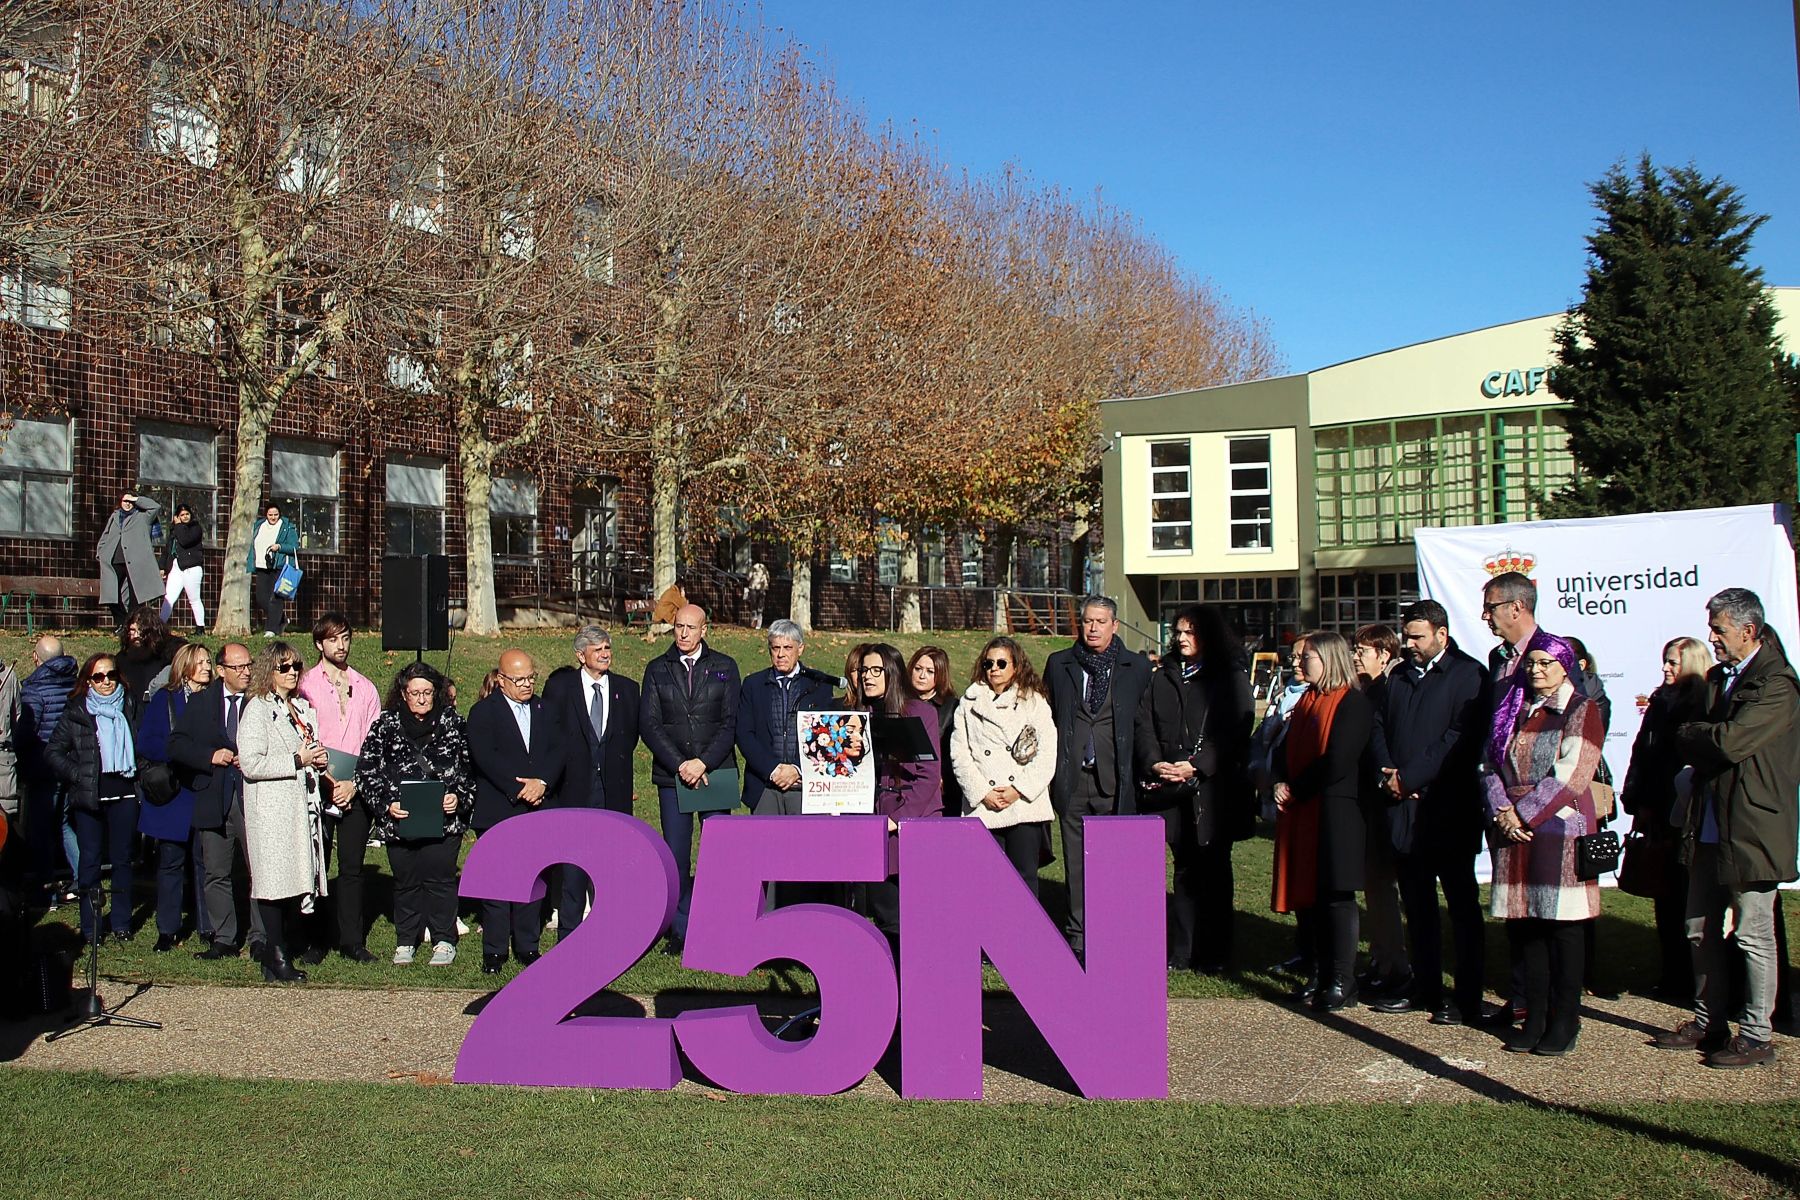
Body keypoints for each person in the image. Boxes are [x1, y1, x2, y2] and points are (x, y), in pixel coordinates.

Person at [1655, 589, 1800, 1069]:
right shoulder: (1721, 678)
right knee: (1698, 928)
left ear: (1748, 630)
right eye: (1711, 628)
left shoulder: (1777, 683)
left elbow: (1731, 742)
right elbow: (1707, 739)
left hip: (1753, 824)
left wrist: (1694, 736)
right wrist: (1700, 738)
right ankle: (1707, 1019)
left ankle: (1757, 1034)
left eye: (1718, 630)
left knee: (1753, 933)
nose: (1712, 638)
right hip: (1710, 822)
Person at [1367, 600, 1492, 1027]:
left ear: (1441, 633)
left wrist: (1414, 777)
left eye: (1418, 636)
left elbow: (1460, 736)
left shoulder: (1469, 675)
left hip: (1448, 809)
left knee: (1460, 906)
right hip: (1403, 810)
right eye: (1408, 636)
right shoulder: (1399, 675)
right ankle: (1425, 988)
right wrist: (1390, 775)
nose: (1411, 644)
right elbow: (1378, 724)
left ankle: (1468, 997)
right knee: (1417, 904)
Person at [1483, 631, 1604, 1056]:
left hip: (1557, 829)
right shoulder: (1512, 707)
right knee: (1526, 928)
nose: (1535, 671)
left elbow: (1573, 774)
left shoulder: (1579, 709)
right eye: (1530, 663)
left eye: (1545, 663)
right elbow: (1489, 762)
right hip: (1512, 831)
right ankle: (1532, 1016)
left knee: (1563, 930)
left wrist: (1523, 813)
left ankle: (1565, 1020)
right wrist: (1502, 809)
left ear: (1565, 666)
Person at [1134, 605, 1255, 973]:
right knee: (1184, 870)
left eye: (1191, 632)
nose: (1182, 639)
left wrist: (1198, 766)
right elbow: (1144, 723)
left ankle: (1216, 952)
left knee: (1215, 871)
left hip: (1212, 793)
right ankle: (1183, 951)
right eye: (1179, 632)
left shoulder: (1228, 677)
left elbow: (1238, 728)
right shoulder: (1164, 675)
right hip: (1171, 788)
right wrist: (1156, 761)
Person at [1046, 594, 1152, 957]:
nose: (1092, 628)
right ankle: (1077, 937)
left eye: (1100, 622)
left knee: (1111, 866)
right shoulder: (1059, 664)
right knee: (1075, 864)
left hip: (1115, 780)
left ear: (1114, 626)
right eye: (1087, 621)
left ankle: (1111, 933)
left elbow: (1143, 721)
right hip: (1073, 780)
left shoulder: (1135, 668)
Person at [1271, 631, 1372, 1011]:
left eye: (1306, 657)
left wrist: (1296, 787)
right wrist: (1281, 779)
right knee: (1309, 900)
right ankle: (1318, 972)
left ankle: (1343, 979)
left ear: (1328, 659)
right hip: (1302, 809)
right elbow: (1283, 748)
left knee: (1335, 898)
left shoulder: (1352, 703)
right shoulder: (1307, 701)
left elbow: (1338, 759)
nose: (1298, 663)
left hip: (1336, 813)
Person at [639, 604, 739, 953]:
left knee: (717, 855)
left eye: (690, 627)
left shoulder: (725, 666)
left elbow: (730, 723)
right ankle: (680, 929)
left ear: (704, 630)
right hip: (673, 776)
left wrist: (703, 763)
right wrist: (681, 764)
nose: (682, 633)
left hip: (714, 774)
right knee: (677, 855)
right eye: (678, 626)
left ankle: (717, 924)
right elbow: (649, 724)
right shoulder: (657, 669)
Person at [357, 664, 473, 966]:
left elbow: (470, 770)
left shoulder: (452, 723)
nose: (421, 699)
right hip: (400, 819)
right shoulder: (386, 725)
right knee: (406, 880)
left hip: (445, 821)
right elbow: (366, 771)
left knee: (440, 879)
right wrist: (386, 805)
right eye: (415, 693)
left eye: (427, 692)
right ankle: (406, 940)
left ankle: (444, 939)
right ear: (403, 693)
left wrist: (457, 797)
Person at [1621, 636, 1711, 1001]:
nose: (1666, 668)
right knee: (1665, 898)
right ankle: (1673, 974)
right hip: (1656, 811)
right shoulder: (1660, 700)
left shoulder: (1702, 703)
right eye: (1664, 661)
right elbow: (1642, 751)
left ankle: (1696, 978)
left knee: (1690, 899)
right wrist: (1636, 798)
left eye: (1673, 662)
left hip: (1685, 811)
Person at [236, 641, 331, 983]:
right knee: (272, 882)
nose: (292, 673)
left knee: (293, 881)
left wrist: (318, 760)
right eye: (284, 667)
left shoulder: (302, 708)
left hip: (300, 807)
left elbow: (309, 750)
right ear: (269, 671)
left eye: (296, 667)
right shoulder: (258, 709)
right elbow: (250, 763)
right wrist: (296, 760)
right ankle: (275, 953)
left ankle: (282, 949)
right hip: (272, 809)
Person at [467, 648, 566, 973]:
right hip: (499, 806)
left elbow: (558, 750)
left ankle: (527, 945)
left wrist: (543, 783)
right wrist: (519, 788)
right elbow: (485, 757)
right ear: (501, 679)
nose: (526, 684)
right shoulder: (484, 712)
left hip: (539, 806)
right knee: (497, 884)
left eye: (531, 678)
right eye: (519, 679)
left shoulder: (545, 709)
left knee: (533, 881)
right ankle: (494, 951)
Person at [169, 641, 266, 960]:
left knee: (259, 871)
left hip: (252, 796)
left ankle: (260, 936)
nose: (246, 672)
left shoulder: (261, 701)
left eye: (248, 665)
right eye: (238, 667)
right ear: (221, 671)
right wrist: (210, 755)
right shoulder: (201, 703)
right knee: (216, 871)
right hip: (214, 795)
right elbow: (177, 745)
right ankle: (224, 937)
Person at [542, 625, 641, 935]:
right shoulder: (560, 689)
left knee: (611, 867)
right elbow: (551, 736)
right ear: (580, 654)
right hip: (574, 791)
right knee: (574, 869)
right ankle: (569, 936)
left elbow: (630, 737)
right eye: (598, 649)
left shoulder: (627, 689)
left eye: (608, 648)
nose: (605, 654)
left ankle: (610, 932)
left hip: (614, 791)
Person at [295, 612, 381, 963]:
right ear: (319, 643)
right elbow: (301, 733)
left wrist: (354, 784)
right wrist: (330, 782)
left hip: (354, 788)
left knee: (351, 869)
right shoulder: (305, 685)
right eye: (333, 639)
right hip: (318, 786)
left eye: (345, 638)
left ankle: (351, 940)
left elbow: (374, 743)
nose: (341, 646)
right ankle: (316, 940)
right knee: (316, 866)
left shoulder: (364, 687)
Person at [845, 641, 942, 951]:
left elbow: (928, 775)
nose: (868, 677)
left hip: (909, 825)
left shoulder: (919, 712)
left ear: (893, 673)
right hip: (869, 824)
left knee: (911, 915)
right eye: (863, 671)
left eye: (876, 670)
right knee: (883, 913)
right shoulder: (857, 716)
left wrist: (896, 820)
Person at [44, 652, 143, 942]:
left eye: (111, 675)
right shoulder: (77, 711)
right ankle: (91, 926)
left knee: (123, 860)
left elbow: (142, 744)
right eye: (99, 677)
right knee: (90, 861)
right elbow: (53, 752)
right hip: (90, 798)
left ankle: (122, 922)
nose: (106, 682)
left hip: (124, 794)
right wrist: (79, 774)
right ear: (88, 680)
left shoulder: (129, 704)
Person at [950, 637, 1057, 896]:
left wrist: (1017, 790)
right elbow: (959, 753)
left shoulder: (1034, 702)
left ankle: (1026, 933)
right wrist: (982, 792)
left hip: (1024, 805)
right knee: (987, 880)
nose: (993, 669)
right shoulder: (968, 703)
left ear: (1016, 667)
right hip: (984, 804)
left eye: (1001, 663)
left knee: (1024, 879)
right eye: (988, 663)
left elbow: (1047, 754)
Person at [135, 642, 214, 951]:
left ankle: (209, 926)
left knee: (205, 862)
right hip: (174, 793)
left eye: (209, 661)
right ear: (185, 667)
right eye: (201, 662)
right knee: (171, 862)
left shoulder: (214, 701)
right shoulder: (164, 700)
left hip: (205, 790)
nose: (207, 667)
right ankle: (167, 930)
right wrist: (180, 750)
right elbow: (147, 743)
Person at [1351, 622, 1409, 999]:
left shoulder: (1392, 689)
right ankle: (1383, 958)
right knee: (1375, 887)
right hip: (1368, 804)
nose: (1356, 656)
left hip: (1392, 801)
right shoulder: (1366, 690)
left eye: (1362, 650)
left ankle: (1400, 966)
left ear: (1383, 654)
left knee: (1391, 887)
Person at [738, 620, 837, 817]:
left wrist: (798, 770)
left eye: (787, 648)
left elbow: (826, 734)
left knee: (806, 846)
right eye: (775, 648)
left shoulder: (819, 685)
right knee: (767, 845)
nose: (781, 654)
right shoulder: (753, 684)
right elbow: (744, 734)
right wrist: (772, 769)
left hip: (806, 784)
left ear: (800, 649)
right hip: (764, 785)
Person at [17, 636, 79, 899]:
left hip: (43, 767)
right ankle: (83, 878)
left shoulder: (34, 689)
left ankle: (46, 888)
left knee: (41, 829)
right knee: (63, 824)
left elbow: (27, 732)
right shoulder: (75, 683)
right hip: (69, 762)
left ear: (36, 657)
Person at [907, 645, 964, 817]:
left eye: (930, 671)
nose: (922, 675)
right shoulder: (901, 703)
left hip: (944, 788)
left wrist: (942, 776)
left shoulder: (952, 707)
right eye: (918, 669)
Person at [97, 490, 163, 629]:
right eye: (125, 501)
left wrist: (136, 499)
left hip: (136, 562)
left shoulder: (143, 516)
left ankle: (132, 626)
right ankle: (122, 623)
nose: (127, 504)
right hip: (114, 560)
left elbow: (155, 506)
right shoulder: (115, 516)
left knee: (136, 598)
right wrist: (101, 552)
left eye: (130, 501)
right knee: (111, 595)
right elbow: (106, 535)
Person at [248, 502, 299, 637]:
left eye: (276, 515)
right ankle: (281, 618)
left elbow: (294, 546)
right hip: (262, 566)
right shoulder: (259, 526)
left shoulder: (287, 527)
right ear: (266, 515)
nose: (273, 517)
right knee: (261, 598)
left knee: (276, 597)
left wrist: (280, 547)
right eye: (270, 515)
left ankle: (271, 629)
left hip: (279, 566)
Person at [117, 603, 184, 703]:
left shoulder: (170, 650)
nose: (137, 635)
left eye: (142, 631)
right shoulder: (122, 658)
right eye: (132, 630)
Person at [160, 502, 206, 631]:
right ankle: (160, 625)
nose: (185, 517)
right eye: (182, 515)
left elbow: (186, 540)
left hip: (191, 567)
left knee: (194, 598)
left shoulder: (195, 528)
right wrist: (162, 566)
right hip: (176, 566)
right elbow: (168, 549)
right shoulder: (174, 531)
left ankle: (200, 627)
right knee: (169, 597)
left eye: (187, 514)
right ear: (177, 516)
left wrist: (179, 525)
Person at [744, 560, 770, 630]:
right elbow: (768, 578)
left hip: (754, 587)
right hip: (763, 588)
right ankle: (759, 625)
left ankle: (754, 620)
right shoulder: (764, 568)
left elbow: (748, 577)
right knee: (760, 607)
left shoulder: (753, 568)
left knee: (753, 605)